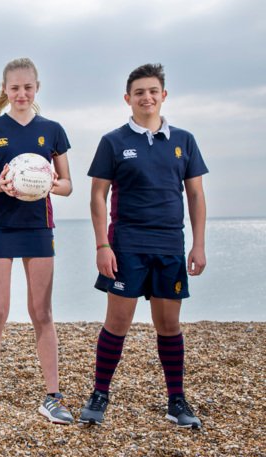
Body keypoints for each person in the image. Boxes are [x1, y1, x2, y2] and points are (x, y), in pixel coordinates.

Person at [79, 63, 207, 429]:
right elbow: (97, 197)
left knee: (169, 324)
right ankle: (100, 393)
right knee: (117, 322)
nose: (146, 97)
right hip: (127, 245)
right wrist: (102, 244)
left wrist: (198, 245)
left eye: (153, 91)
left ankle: (176, 400)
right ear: (127, 99)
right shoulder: (114, 141)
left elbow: (196, 196)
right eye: (139, 92)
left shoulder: (184, 140)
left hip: (170, 244)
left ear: (163, 95)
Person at [0, 58, 74, 430]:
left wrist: (47, 182)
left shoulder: (53, 130)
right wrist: (3, 184)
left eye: (28, 87)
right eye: (15, 88)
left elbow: (67, 184)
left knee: (41, 312)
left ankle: (53, 397)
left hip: (39, 227)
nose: (22, 94)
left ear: (37, 88)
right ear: (5, 89)